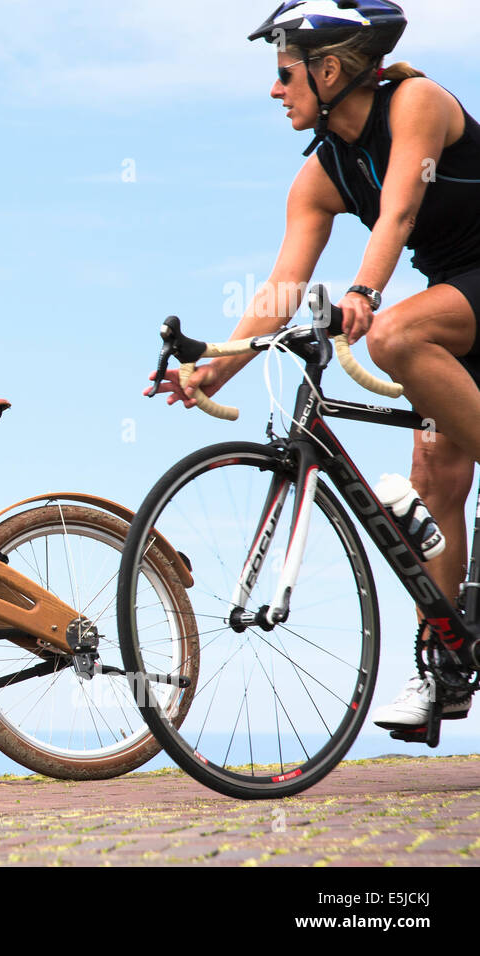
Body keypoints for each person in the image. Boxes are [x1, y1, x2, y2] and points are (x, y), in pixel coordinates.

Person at [146, 0, 480, 733]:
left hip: (460, 292)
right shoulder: (321, 174)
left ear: (329, 70)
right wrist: (213, 371)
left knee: (391, 338)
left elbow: (397, 212)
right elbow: (280, 290)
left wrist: (365, 292)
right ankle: (447, 668)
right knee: (433, 482)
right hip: (454, 301)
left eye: (284, 74)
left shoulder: (415, 101)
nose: (275, 91)